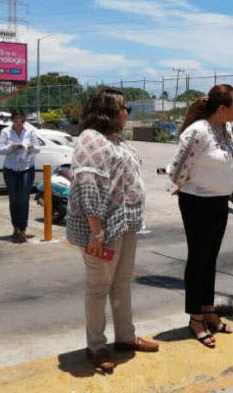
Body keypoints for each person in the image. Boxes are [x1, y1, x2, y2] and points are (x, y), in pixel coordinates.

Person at [67, 87, 158, 373]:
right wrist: (96, 230)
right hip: (102, 228)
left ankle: (125, 337)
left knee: (122, 283)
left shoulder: (115, 139)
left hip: (124, 224)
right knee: (98, 288)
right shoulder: (90, 139)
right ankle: (95, 345)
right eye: (123, 107)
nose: (127, 112)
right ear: (108, 110)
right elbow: (87, 183)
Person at [167, 84, 233, 348]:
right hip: (197, 201)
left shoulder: (226, 128)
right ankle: (195, 318)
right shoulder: (197, 132)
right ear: (223, 108)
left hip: (218, 201)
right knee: (198, 260)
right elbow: (177, 167)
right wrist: (180, 185)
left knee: (210, 258)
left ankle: (208, 310)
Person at [0, 109, 39, 243]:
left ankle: (23, 229)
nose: (18, 123)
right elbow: (0, 150)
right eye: (15, 120)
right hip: (10, 168)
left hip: (26, 168)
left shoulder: (30, 132)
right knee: (14, 200)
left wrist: (31, 147)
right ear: (12, 120)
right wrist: (11, 147)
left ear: (24, 120)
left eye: (20, 120)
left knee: (24, 199)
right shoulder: (5, 132)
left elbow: (38, 149)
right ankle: (15, 227)